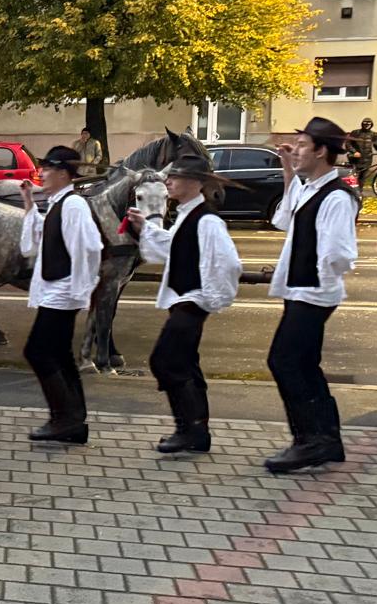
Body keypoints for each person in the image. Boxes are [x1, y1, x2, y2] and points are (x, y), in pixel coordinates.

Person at [128, 154, 242, 454]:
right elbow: (174, 247)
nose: (169, 181)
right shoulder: (187, 216)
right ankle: (196, 431)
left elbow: (228, 263)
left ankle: (189, 429)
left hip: (193, 301)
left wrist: (206, 299)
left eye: (175, 177)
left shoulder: (208, 220)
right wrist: (145, 227)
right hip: (185, 300)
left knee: (166, 360)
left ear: (195, 183)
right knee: (186, 363)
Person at [264, 117, 359, 473]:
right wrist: (289, 169)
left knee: (283, 360)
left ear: (321, 151)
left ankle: (309, 441)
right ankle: (328, 439)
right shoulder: (311, 187)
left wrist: (318, 278)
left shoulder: (336, 197)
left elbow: (340, 253)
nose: (296, 150)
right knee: (305, 364)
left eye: (303, 145)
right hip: (301, 289)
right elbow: (285, 218)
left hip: (313, 292)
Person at [19, 146, 101, 444]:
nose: (41, 173)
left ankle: (65, 419)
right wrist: (29, 202)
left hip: (63, 292)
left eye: (47, 169)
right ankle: (73, 420)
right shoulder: (59, 203)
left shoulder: (73, 205)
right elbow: (36, 241)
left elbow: (90, 247)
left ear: (64, 174)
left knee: (38, 351)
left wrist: (79, 288)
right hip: (59, 290)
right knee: (60, 354)